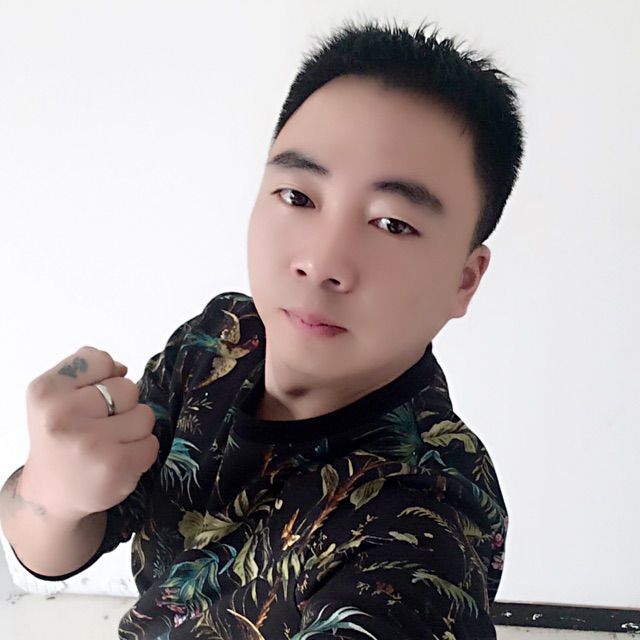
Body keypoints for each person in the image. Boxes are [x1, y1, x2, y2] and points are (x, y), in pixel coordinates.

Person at [0, 16, 524, 640]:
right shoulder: (220, 340)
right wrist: (50, 494)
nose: (321, 263)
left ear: (464, 280)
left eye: (392, 223)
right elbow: (55, 547)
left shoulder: (426, 516)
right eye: (298, 196)